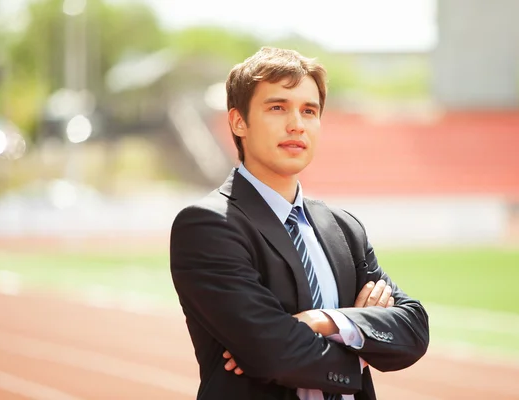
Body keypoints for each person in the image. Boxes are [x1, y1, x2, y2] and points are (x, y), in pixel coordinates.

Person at [170, 47, 429, 400]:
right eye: (278, 107)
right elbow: (273, 354)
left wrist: (324, 322)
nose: (297, 124)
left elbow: (413, 328)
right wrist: (361, 342)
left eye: (309, 111)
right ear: (238, 122)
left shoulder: (343, 227)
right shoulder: (209, 225)